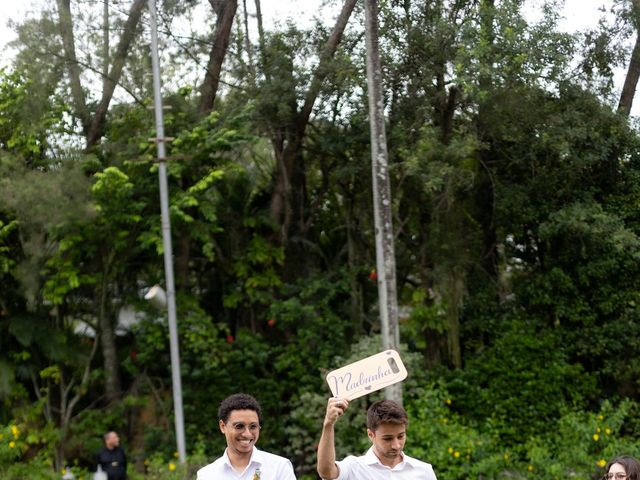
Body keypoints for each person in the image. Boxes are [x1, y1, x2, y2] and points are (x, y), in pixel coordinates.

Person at [317, 397, 438, 480]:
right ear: (371, 435)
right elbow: (326, 472)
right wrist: (328, 424)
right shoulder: (354, 468)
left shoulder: (424, 471)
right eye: (387, 439)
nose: (396, 445)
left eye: (401, 436)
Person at [196, 393, 297, 480]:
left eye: (253, 426)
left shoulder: (279, 468)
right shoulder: (206, 475)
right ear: (223, 426)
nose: (247, 434)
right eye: (239, 426)